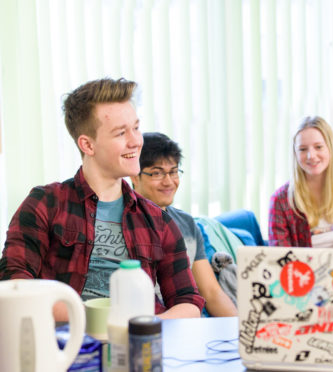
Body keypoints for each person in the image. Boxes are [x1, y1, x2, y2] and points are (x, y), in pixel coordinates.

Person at [0, 78, 204, 320]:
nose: (136, 141)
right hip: (66, 346)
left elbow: (189, 302)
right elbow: (14, 285)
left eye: (136, 128)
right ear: (87, 144)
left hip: (139, 345)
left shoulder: (159, 220)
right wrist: (100, 320)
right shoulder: (46, 203)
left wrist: (140, 326)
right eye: (121, 132)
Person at [130, 132, 238, 317]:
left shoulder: (187, 224)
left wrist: (243, 334)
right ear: (134, 176)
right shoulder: (121, 223)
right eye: (157, 173)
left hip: (188, 321)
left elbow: (211, 293)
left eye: (173, 171)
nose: (169, 182)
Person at [268, 116, 333, 249]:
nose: (311, 155)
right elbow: (279, 259)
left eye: (318, 147)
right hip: (301, 270)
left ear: (330, 148)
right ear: (295, 154)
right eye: (303, 149)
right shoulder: (280, 201)